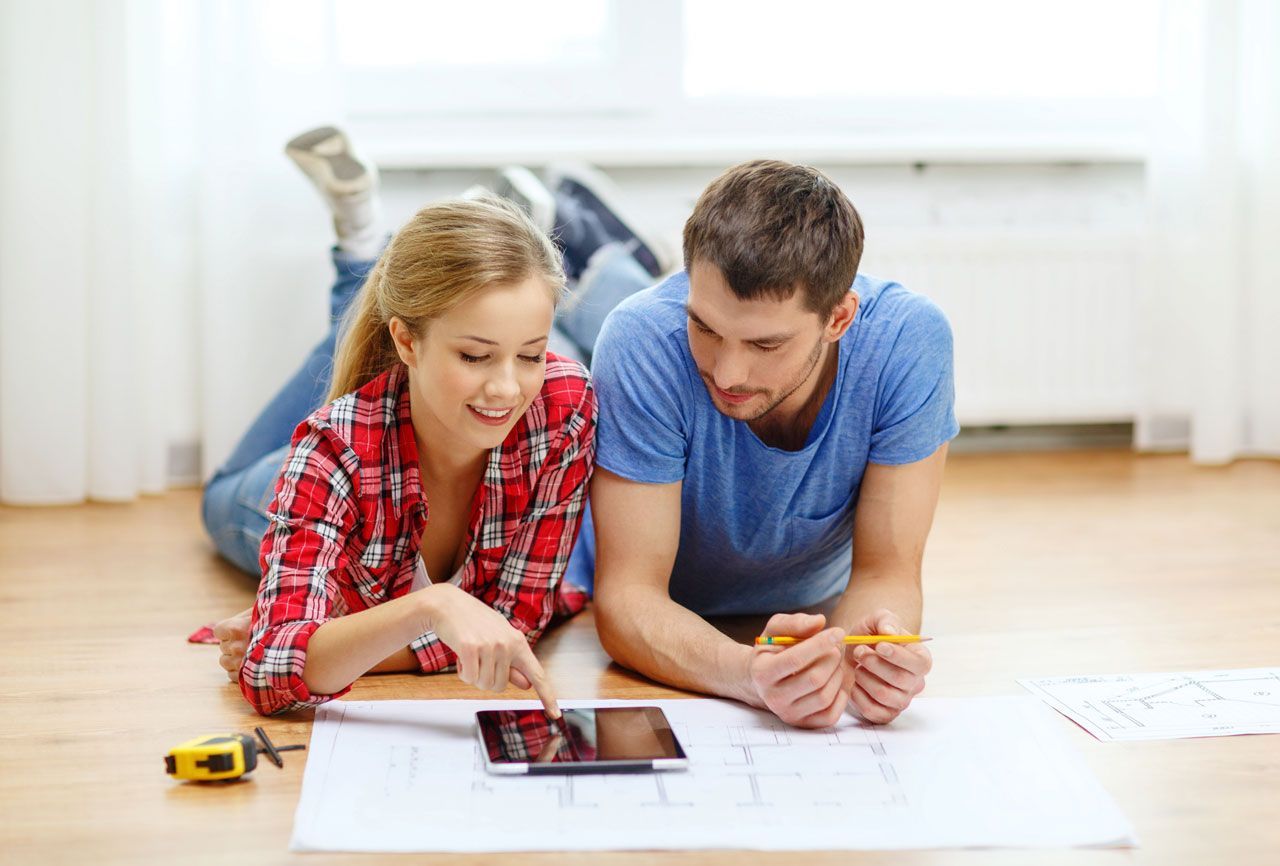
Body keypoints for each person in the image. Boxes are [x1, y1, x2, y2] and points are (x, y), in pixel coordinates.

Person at [200, 127, 654, 717]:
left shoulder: (561, 405)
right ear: (407, 342)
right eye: (475, 356)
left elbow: (515, 620)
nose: (507, 387)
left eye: (531, 354)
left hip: (412, 414)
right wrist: (431, 607)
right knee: (218, 499)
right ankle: (363, 244)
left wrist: (338, 641)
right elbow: (270, 668)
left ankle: (382, 249)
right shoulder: (331, 450)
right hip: (303, 473)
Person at [572, 159, 958, 729]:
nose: (728, 374)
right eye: (704, 327)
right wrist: (748, 674)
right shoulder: (643, 339)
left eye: (766, 344)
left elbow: (888, 572)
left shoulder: (907, 341)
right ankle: (590, 241)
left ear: (839, 319)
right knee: (573, 323)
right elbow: (628, 600)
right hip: (607, 565)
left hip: (801, 598)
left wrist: (865, 657)